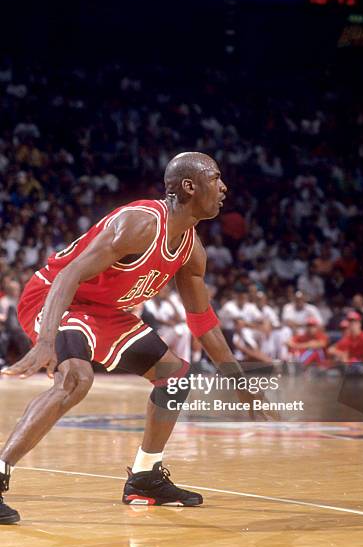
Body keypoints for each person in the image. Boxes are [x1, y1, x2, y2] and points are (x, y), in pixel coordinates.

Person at [0, 152, 257, 525]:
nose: (223, 187)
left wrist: (237, 379)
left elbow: (203, 323)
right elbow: (68, 275)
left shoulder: (191, 249)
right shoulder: (139, 223)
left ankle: (145, 478)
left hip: (105, 313)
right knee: (76, 379)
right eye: (215, 178)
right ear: (189, 186)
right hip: (57, 297)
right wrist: (45, 341)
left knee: (175, 375)